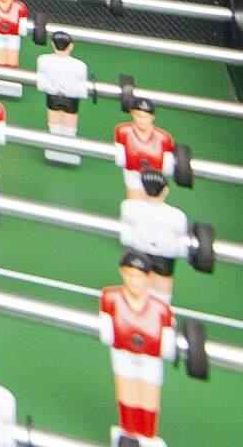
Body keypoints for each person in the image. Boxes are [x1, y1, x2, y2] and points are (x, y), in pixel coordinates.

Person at [98, 252, 175, 442]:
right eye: (130, 275)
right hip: (123, 354)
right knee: (127, 392)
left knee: (149, 395)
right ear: (122, 273)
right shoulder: (110, 297)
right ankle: (129, 433)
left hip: (149, 358)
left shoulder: (161, 309)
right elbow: (106, 332)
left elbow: (167, 343)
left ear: (148, 278)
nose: (134, 281)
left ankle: (147, 436)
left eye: (139, 277)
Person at [120, 170, 192, 302]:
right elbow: (181, 235)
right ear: (165, 191)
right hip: (163, 255)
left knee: (137, 283)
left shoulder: (128, 206)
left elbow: (126, 227)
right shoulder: (177, 215)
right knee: (161, 291)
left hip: (139, 250)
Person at [33, 31, 90, 166]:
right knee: (69, 127)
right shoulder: (80, 65)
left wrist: (54, 88)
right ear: (71, 46)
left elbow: (41, 82)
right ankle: (67, 151)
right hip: (71, 98)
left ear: (53, 44)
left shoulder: (43, 60)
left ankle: (55, 150)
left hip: (53, 96)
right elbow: (82, 87)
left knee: (55, 124)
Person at [116, 100, 176, 198]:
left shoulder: (164, 138)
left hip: (155, 178)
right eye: (139, 116)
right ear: (132, 113)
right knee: (133, 201)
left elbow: (167, 164)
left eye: (146, 117)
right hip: (133, 174)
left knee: (154, 200)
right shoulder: (123, 131)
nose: (142, 120)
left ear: (152, 117)